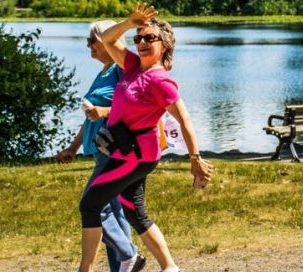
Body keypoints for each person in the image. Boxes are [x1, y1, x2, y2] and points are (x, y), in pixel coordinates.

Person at [77, 3, 213, 272]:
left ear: (164, 44)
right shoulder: (131, 66)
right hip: (125, 152)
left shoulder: (160, 81)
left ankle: (86, 270)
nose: (141, 42)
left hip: (136, 156)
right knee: (134, 213)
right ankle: (170, 268)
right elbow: (107, 39)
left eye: (149, 38)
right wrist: (131, 22)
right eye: (139, 38)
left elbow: (184, 119)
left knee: (90, 204)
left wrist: (195, 158)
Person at [56, 20, 146, 272]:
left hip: (114, 149)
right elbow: (90, 115)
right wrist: (73, 148)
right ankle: (123, 267)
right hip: (100, 150)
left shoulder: (121, 69)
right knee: (114, 212)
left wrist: (103, 110)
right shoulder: (105, 70)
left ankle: (130, 254)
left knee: (93, 205)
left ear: (108, 42)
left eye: (91, 41)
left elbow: (129, 105)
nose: (88, 46)